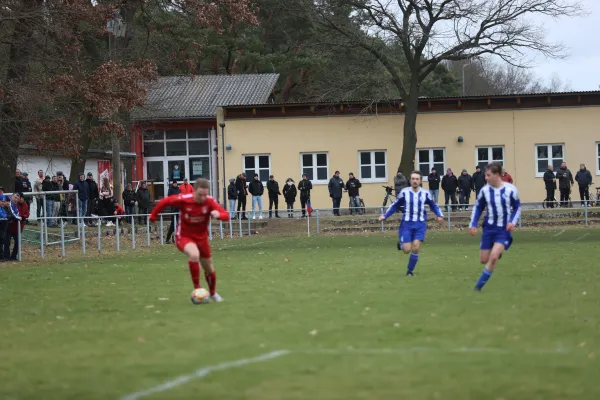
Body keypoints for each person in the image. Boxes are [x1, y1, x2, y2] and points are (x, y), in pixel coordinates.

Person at [149, 178, 230, 302]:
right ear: (194, 192)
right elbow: (164, 201)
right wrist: (154, 215)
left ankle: (213, 293)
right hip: (184, 236)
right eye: (200, 195)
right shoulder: (184, 199)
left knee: (209, 267)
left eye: (205, 195)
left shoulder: (209, 201)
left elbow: (226, 215)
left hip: (202, 239)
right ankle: (197, 289)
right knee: (194, 254)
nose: (203, 198)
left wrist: (219, 215)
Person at [378, 171, 444, 276]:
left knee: (416, 247)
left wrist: (440, 215)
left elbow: (433, 205)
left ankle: (409, 271)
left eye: (417, 179)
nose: (415, 181)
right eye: (413, 179)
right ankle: (401, 244)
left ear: (420, 181)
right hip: (407, 224)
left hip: (420, 224)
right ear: (410, 180)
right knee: (406, 250)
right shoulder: (404, 192)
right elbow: (395, 205)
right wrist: (385, 215)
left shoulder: (425, 193)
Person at [469, 162, 521, 291]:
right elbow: (478, 207)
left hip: (503, 230)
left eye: (488, 175)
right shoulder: (485, 191)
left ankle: (478, 288)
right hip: (489, 229)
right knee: (483, 259)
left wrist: (512, 222)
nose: (485, 178)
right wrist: (473, 224)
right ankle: (496, 250)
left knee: (492, 259)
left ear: (497, 175)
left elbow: (517, 207)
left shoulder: (510, 190)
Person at [8, 192, 28, 261]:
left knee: (18, 242)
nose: (19, 199)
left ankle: (13, 256)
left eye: (20, 198)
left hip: (19, 227)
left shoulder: (25, 205)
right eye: (18, 198)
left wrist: (23, 217)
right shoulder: (13, 204)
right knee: (7, 241)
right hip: (11, 226)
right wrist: (17, 218)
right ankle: (6, 256)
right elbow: (14, 214)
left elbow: (27, 214)